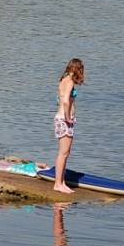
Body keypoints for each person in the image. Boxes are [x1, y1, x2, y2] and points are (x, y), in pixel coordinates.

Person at [53, 58, 84, 194]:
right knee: (63, 153)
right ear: (76, 69)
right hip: (64, 120)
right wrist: (67, 118)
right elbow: (65, 101)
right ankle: (57, 184)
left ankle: (61, 182)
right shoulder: (69, 81)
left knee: (65, 153)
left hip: (61, 119)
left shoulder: (63, 79)